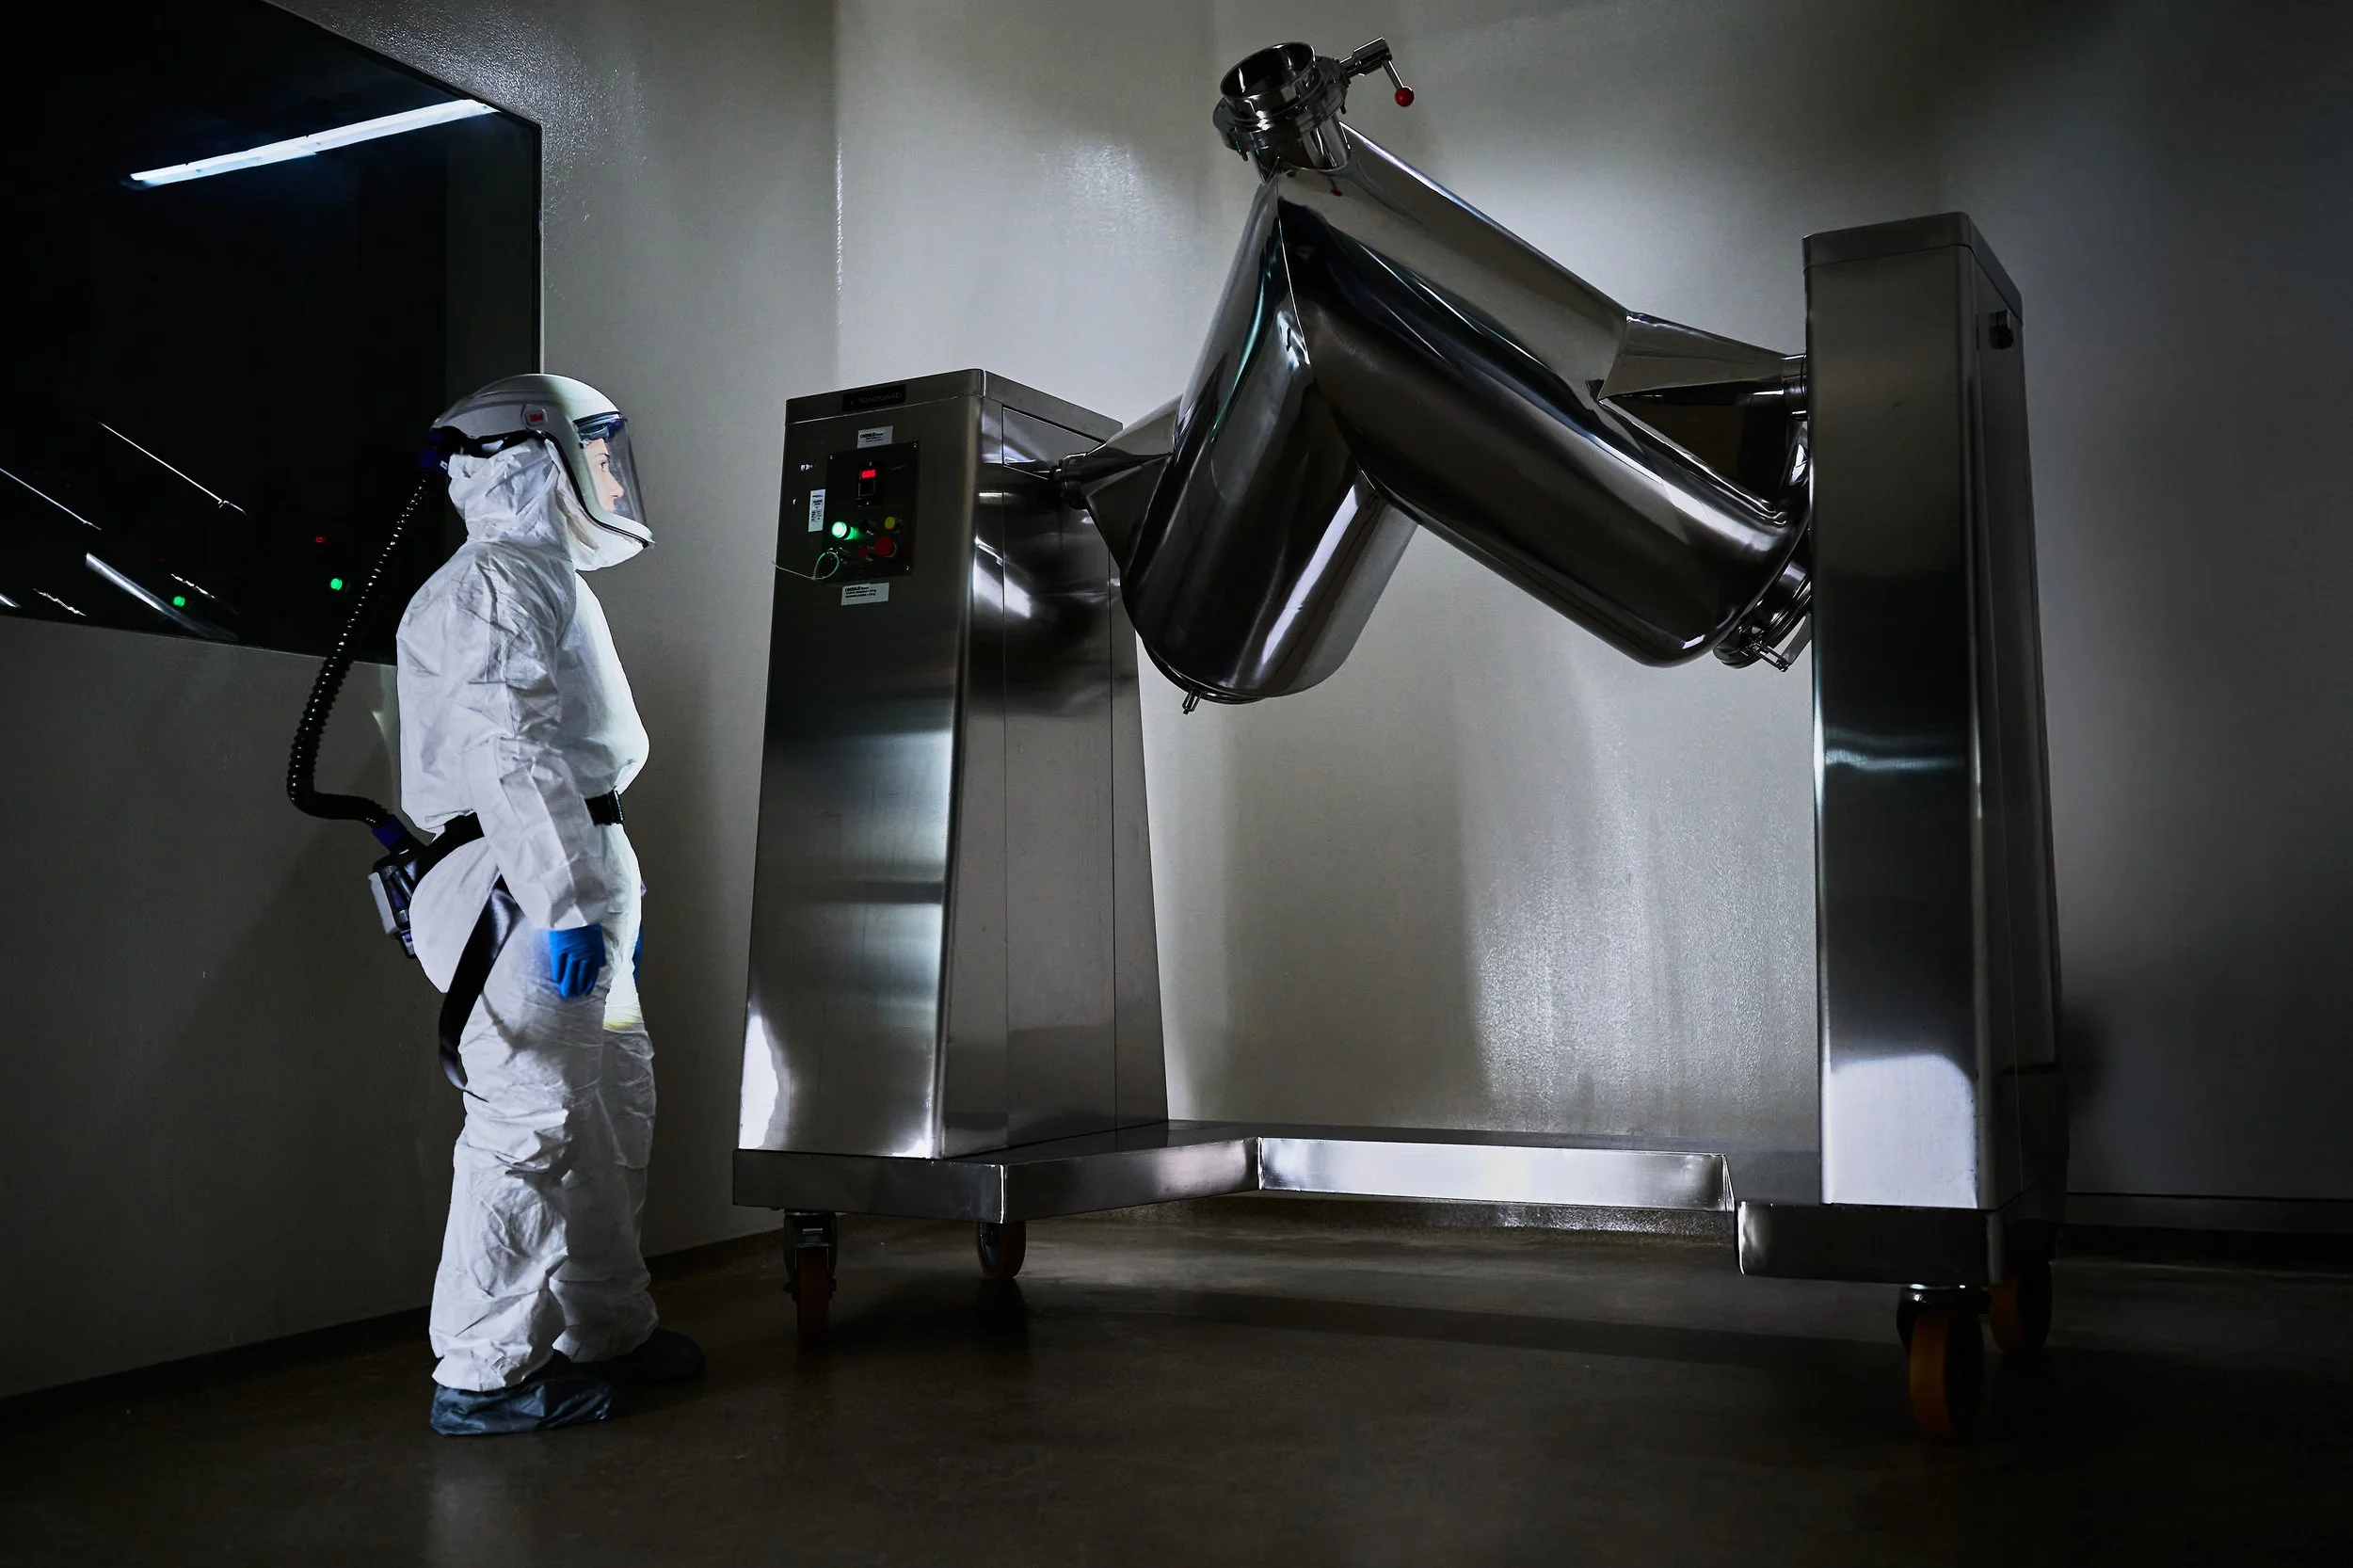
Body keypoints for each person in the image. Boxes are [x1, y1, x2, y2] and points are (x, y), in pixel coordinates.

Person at [395, 374, 700, 1435]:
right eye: (595, 451)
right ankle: (482, 1375)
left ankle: (606, 1325)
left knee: (610, 1104)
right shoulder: (493, 582)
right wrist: (568, 902)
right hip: (522, 897)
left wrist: (604, 896)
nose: (609, 475)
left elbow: (565, 764)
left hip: (572, 879)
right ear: (541, 455)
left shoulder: (539, 577)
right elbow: (507, 752)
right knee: (528, 1121)